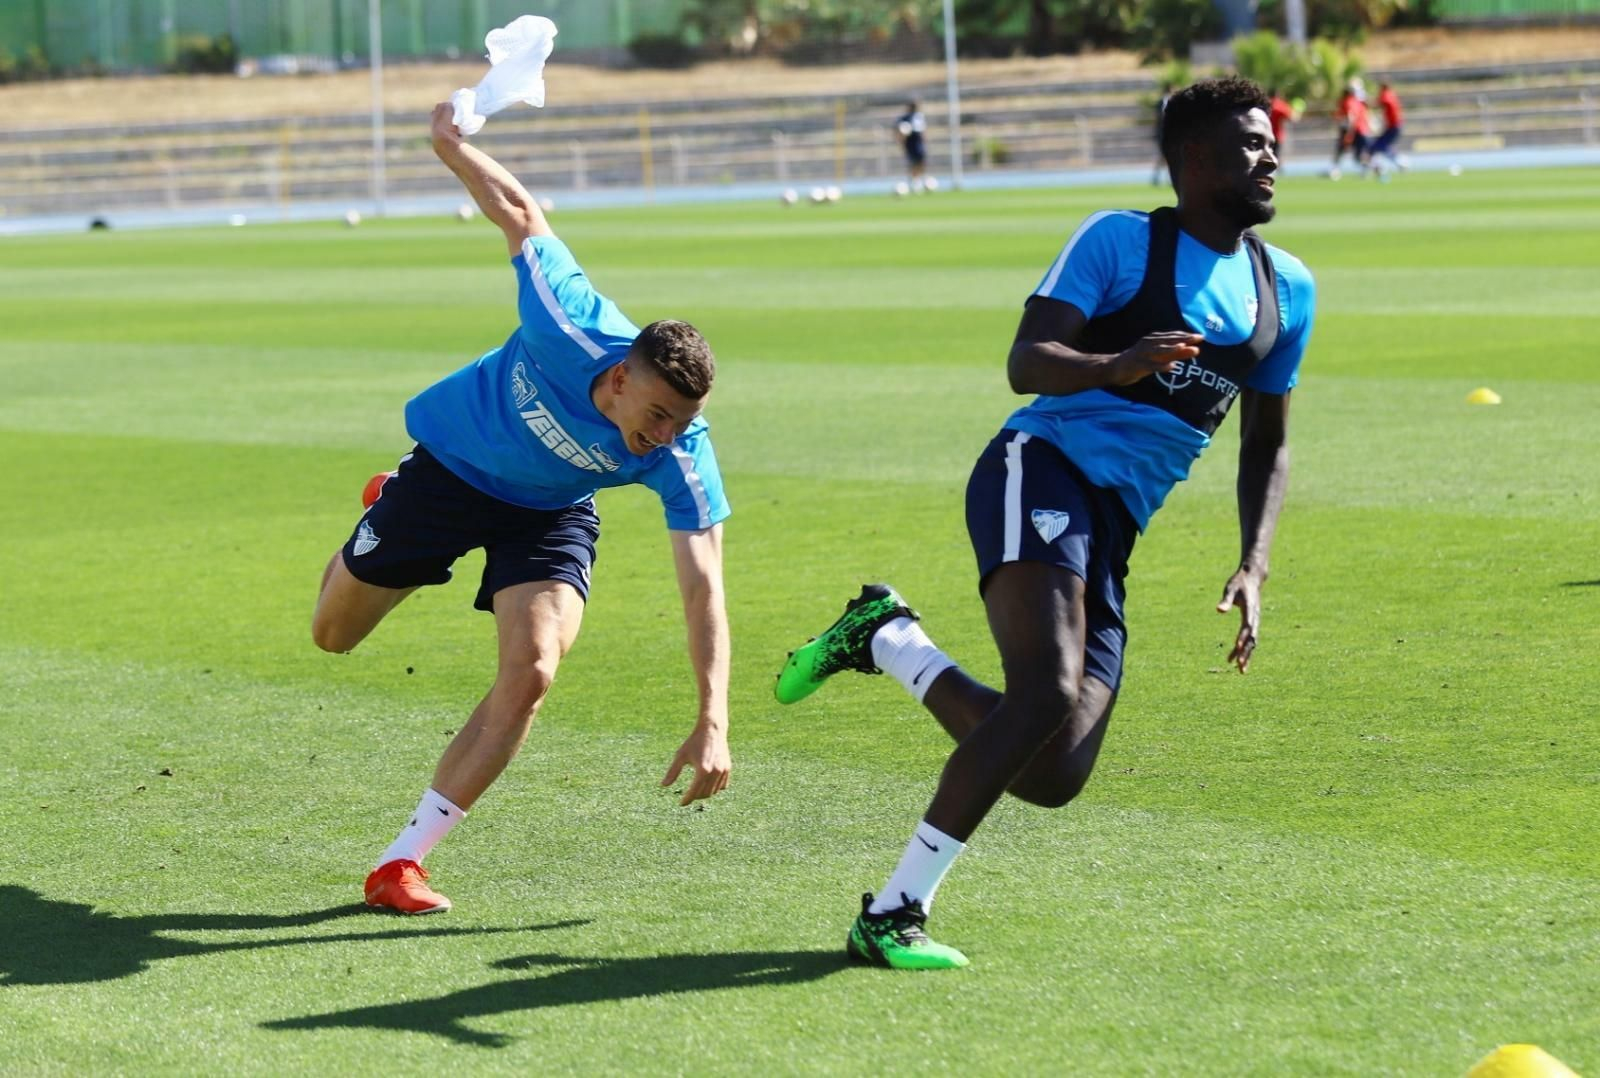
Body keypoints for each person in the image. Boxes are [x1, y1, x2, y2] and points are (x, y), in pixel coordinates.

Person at [774, 77, 1315, 970]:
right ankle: (894, 912)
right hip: (1040, 467)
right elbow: (1027, 361)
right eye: (1251, 143)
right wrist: (1115, 363)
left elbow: (1268, 444)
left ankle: (887, 638)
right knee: (1048, 692)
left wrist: (1254, 563)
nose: (1272, 156)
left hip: (1113, 524)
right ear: (1193, 158)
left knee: (1055, 770)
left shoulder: (1287, 288)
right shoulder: (1120, 242)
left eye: (1271, 141)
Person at [313, 102, 734, 915]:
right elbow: (519, 212)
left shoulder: (682, 452)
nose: (663, 437)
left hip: (549, 509)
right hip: (449, 474)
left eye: (680, 424)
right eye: (655, 416)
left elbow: (703, 586)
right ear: (620, 378)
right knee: (333, 636)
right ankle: (383, 504)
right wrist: (450, 145)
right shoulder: (566, 325)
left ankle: (401, 863)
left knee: (534, 668)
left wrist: (712, 718)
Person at [1330, 80, 1373, 179]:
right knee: (1358, 155)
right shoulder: (1356, 101)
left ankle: (1334, 170)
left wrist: (1349, 134)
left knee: (1343, 152)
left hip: (1354, 130)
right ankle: (1372, 168)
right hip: (1360, 130)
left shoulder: (1349, 101)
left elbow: (1351, 118)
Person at [1368, 81, 1407, 173]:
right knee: (1379, 146)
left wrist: (1365, 101)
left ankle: (1399, 162)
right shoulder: (1391, 94)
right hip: (1395, 125)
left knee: (1379, 146)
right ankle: (1398, 162)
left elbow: (1377, 104)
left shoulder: (1386, 94)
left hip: (1394, 126)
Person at [897, 100, 930, 192]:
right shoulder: (905, 118)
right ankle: (914, 181)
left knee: (921, 161)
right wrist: (902, 141)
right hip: (911, 143)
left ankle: (920, 179)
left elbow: (922, 131)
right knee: (913, 162)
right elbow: (901, 132)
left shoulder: (919, 117)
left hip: (919, 142)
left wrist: (924, 140)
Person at [1151, 82, 1175, 186]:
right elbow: (1157, 119)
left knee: (1166, 157)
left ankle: (1160, 178)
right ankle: (1161, 178)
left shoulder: (1173, 102)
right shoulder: (1160, 103)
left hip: (1170, 133)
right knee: (1164, 156)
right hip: (1162, 134)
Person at [1267, 87, 1298, 162]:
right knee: (1275, 157)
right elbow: (1292, 118)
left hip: (1265, 135)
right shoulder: (1279, 105)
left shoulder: (1264, 104)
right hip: (1276, 136)